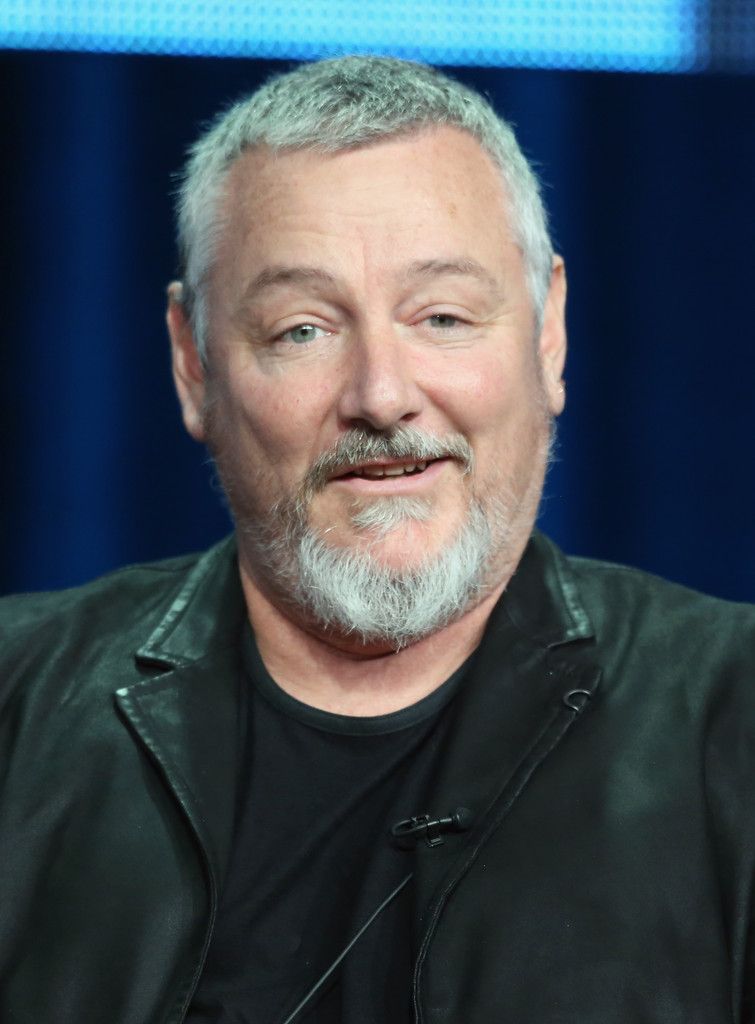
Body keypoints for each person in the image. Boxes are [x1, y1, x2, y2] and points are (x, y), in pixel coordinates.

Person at [0, 54, 753, 1024]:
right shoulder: (17, 705)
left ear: (547, 335)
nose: (382, 395)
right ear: (193, 365)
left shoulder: (733, 720)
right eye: (301, 330)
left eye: (442, 315)